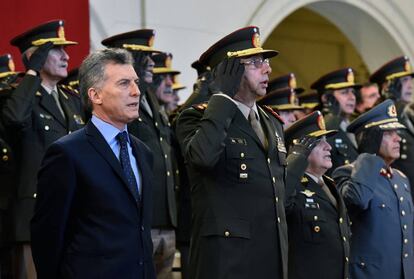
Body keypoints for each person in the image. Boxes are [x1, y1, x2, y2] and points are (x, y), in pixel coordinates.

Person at [31, 48, 156, 279]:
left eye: (136, 82)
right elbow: (47, 236)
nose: (136, 91)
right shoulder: (67, 153)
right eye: (123, 83)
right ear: (95, 95)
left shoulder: (143, 152)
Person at [176, 26, 288, 279]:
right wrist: (223, 96)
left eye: (266, 61)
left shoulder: (272, 123)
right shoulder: (195, 117)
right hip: (227, 261)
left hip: (271, 259)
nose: (267, 69)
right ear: (230, 70)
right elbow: (203, 157)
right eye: (256, 62)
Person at [2, 20, 85, 278]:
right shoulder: (18, 97)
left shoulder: (71, 100)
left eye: (66, 50)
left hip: (75, 214)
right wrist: (31, 73)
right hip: (35, 217)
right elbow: (14, 118)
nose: (66, 56)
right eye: (56, 50)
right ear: (35, 56)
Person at [102, 31, 178, 279]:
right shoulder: (114, 101)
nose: (151, 63)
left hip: (164, 218)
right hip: (137, 219)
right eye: (143, 57)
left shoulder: (150, 101)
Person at [333, 99, 414, 279]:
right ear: (371, 138)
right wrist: (368, 155)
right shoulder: (346, 174)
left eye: (397, 131)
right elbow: (358, 199)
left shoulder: (400, 179)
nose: (398, 138)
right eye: (388, 133)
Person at [284, 111, 351, 279]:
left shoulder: (331, 185)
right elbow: (279, 204)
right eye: (319, 142)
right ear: (300, 149)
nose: (328, 147)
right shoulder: (291, 187)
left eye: (327, 141)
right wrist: (295, 160)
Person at [370, 56, 414, 196]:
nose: (410, 85)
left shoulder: (407, 114)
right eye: (404, 80)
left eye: (410, 79)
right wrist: (394, 102)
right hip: (393, 192)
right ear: (387, 86)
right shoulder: (378, 116)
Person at [311, 68, 361, 174]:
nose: (352, 97)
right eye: (344, 92)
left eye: (352, 92)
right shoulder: (322, 128)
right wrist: (332, 116)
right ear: (326, 98)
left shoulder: (353, 126)